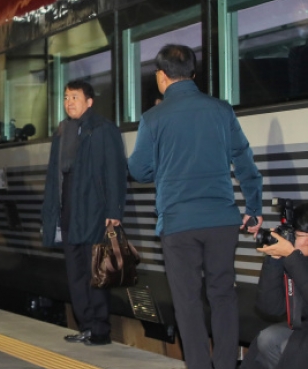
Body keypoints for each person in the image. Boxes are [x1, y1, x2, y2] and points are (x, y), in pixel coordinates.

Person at [128, 44, 263, 369]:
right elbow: (245, 161)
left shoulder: (153, 118)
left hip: (178, 224)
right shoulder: (221, 110)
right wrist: (254, 208)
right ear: (193, 73)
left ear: (161, 76)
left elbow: (138, 170)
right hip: (221, 221)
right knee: (223, 296)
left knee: (187, 302)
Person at [40, 80, 127, 346]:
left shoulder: (102, 129)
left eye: (75, 97)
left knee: (96, 271)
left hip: (94, 211)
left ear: (89, 101)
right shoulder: (63, 132)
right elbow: (55, 178)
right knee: (76, 273)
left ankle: (100, 330)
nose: (69, 102)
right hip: (69, 211)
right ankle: (86, 325)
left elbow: (115, 171)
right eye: (66, 97)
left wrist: (114, 209)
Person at [241, 204, 308, 369]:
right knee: (267, 338)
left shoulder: (296, 261)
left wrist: (293, 258)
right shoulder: (298, 259)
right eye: (300, 235)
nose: (304, 242)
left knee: (293, 350)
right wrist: (274, 260)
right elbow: (271, 308)